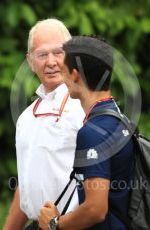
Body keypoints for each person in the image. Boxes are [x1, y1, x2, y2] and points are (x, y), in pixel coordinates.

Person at [38, 35, 135, 229]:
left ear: (75, 75)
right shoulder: (117, 118)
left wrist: (54, 223)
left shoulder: (93, 132)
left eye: (63, 71)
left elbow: (95, 209)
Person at [3, 19, 85, 230]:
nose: (51, 62)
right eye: (42, 54)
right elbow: (27, 185)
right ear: (30, 61)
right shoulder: (26, 118)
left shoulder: (87, 107)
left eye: (58, 52)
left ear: (72, 55)